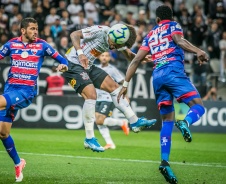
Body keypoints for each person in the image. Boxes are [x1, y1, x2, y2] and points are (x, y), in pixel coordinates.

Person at [117, 5, 209, 184]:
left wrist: (125, 84)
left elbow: (136, 59)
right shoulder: (173, 25)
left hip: (157, 77)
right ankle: (185, 121)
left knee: (167, 121)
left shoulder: (150, 34)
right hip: (173, 71)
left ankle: (165, 162)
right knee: (198, 106)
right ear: (170, 17)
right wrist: (199, 51)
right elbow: (179, 41)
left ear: (157, 19)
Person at [0, 17, 68, 182]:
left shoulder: (42, 45)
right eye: (32, 29)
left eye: (36, 28)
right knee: (3, 133)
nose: (35, 32)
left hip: (26, 91)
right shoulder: (11, 44)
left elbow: (63, 60)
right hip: (10, 89)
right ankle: (18, 163)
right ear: (22, 30)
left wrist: (63, 66)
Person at [64, 23, 157, 152]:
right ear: (111, 35)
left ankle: (134, 122)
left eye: (117, 46)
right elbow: (74, 34)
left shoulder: (117, 38)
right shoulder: (100, 31)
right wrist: (80, 53)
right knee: (91, 95)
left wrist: (141, 58)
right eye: (114, 44)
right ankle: (89, 138)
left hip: (88, 65)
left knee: (115, 87)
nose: (113, 47)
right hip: (72, 63)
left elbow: (129, 55)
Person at [95, 52, 129, 150]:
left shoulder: (112, 70)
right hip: (97, 97)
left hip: (108, 98)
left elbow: (123, 81)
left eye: (106, 56)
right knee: (98, 122)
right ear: (99, 57)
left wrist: (125, 94)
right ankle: (110, 143)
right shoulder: (96, 68)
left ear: (109, 58)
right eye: (102, 55)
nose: (104, 57)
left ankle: (122, 122)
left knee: (100, 120)